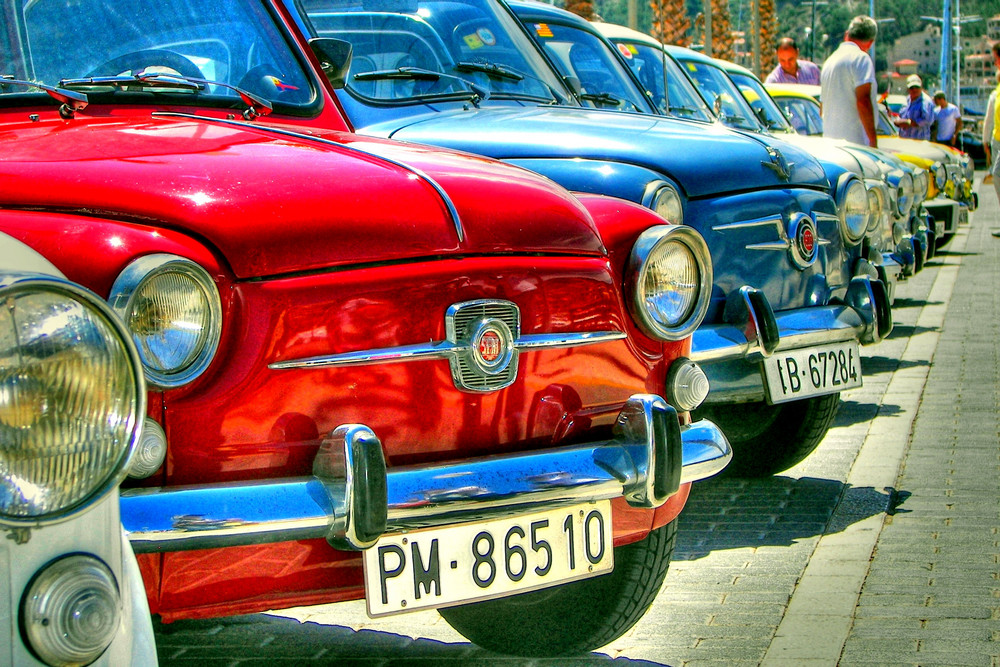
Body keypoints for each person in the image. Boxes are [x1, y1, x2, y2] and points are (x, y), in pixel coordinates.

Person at [820, 15, 878, 147]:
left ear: (847, 35)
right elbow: (863, 101)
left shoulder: (829, 61)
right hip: (855, 145)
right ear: (870, 42)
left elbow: (822, 109)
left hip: (830, 142)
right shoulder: (861, 59)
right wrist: (873, 140)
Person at [981, 44, 1000, 234]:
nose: (994, 63)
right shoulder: (997, 89)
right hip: (997, 139)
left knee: (997, 175)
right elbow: (990, 118)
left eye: (995, 59)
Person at [894, 75, 936, 140]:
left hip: (919, 142)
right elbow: (901, 114)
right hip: (905, 141)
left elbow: (928, 120)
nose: (914, 90)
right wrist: (898, 121)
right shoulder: (907, 100)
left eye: (917, 87)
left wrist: (909, 123)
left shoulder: (926, 102)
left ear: (921, 87)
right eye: (912, 87)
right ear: (908, 89)